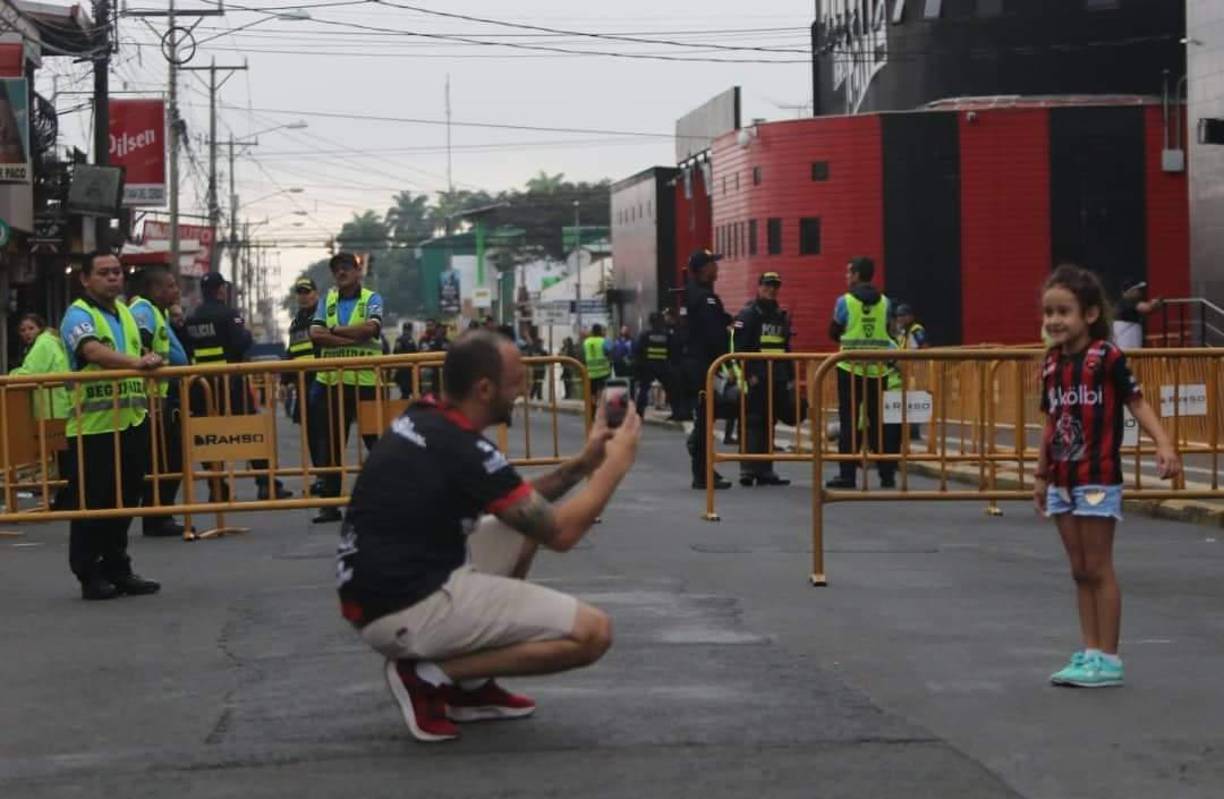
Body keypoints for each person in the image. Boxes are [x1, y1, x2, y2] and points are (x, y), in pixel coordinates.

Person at [337, 330, 640, 742]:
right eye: (516, 382)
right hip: (405, 609)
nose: (522, 391)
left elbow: (519, 504)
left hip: (381, 591)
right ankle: (430, 675)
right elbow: (562, 532)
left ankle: (470, 689)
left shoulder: (425, 419)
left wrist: (582, 463)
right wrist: (613, 469)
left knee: (522, 527)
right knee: (592, 633)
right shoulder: (461, 447)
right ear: (484, 388)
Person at [1034, 264, 1180, 688]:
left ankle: (1110, 658)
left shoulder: (1107, 358)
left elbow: (1137, 403)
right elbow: (1049, 422)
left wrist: (1164, 443)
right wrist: (1040, 474)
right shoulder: (1051, 365)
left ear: (1090, 315)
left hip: (1097, 477)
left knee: (1099, 567)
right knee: (1079, 570)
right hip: (1062, 479)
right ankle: (1090, 650)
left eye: (1064, 311)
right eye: (1048, 313)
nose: (1054, 321)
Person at [59, 252, 162, 600]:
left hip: (131, 421)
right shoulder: (78, 314)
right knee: (94, 503)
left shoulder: (126, 315)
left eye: (117, 272)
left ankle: (119, 568)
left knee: (127, 497)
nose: (113, 278)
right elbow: (92, 353)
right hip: (94, 426)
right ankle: (90, 573)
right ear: (86, 279)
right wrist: (138, 363)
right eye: (104, 273)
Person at [185, 271, 291, 502]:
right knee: (250, 429)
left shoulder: (192, 317)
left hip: (201, 386)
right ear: (221, 289)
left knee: (209, 435)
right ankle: (265, 483)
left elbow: (188, 348)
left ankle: (216, 487)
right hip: (230, 382)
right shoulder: (228, 314)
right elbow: (242, 342)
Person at [309, 252, 385, 523]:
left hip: (365, 384)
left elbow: (370, 330)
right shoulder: (326, 301)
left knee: (376, 446)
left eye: (346, 268)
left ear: (357, 272)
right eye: (337, 269)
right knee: (330, 446)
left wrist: (335, 332)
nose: (341, 273)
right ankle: (329, 505)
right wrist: (348, 336)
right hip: (333, 383)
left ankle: (386, 499)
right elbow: (315, 334)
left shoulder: (371, 299)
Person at [128, 266, 191, 537]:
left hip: (160, 396)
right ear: (155, 289)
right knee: (165, 459)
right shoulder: (143, 310)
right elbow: (141, 347)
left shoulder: (157, 312)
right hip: (148, 398)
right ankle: (157, 517)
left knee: (168, 458)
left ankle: (160, 514)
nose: (177, 290)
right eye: (171, 286)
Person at [826, 257, 899, 490]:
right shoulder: (885, 303)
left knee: (848, 422)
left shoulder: (844, 302)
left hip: (849, 368)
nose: (846, 277)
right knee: (879, 422)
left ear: (857, 275)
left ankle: (847, 475)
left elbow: (833, 332)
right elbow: (889, 333)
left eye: (849, 273)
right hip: (878, 370)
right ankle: (887, 475)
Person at [733, 272, 792, 487]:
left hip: (776, 377)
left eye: (775, 286)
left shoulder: (779, 314)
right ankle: (747, 469)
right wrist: (748, 375)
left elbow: (786, 348)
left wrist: (790, 377)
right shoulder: (749, 314)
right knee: (752, 421)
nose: (772, 289)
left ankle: (766, 469)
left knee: (769, 422)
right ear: (759, 287)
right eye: (768, 285)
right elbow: (739, 348)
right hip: (757, 378)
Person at [683, 249, 733, 490]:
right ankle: (701, 472)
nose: (717, 267)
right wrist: (728, 361)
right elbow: (716, 335)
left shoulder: (700, 295)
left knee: (706, 417)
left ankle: (702, 465)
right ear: (703, 269)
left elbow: (720, 321)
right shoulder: (705, 298)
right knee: (704, 417)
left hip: (699, 364)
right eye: (713, 263)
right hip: (703, 365)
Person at [11, 313, 72, 508]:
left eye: (30, 328)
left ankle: (67, 499)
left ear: (40, 328)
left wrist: (9, 376)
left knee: (63, 456)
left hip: (54, 405)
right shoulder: (49, 341)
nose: (27, 333)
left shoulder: (43, 344)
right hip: (56, 403)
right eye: (23, 330)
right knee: (61, 455)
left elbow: (29, 372)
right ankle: (66, 498)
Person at [283, 276, 325, 492]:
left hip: (321, 382)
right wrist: (285, 380)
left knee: (323, 433)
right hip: (302, 383)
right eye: (300, 292)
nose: (303, 296)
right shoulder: (297, 321)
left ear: (316, 293)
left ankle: (326, 479)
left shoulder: (324, 315)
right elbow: (292, 352)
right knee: (311, 433)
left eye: (307, 291)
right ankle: (320, 477)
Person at [633, 312, 671, 414]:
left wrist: (639, 366)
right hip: (663, 366)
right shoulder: (667, 335)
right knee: (671, 387)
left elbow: (638, 350)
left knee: (644, 389)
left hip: (648, 366)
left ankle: (639, 411)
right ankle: (677, 411)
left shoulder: (645, 335)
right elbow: (672, 350)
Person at [1112, 279, 1162, 349]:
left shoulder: (1124, 303)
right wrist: (1157, 302)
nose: (1140, 292)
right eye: (1137, 289)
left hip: (1129, 344)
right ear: (1130, 291)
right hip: (1126, 344)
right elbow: (1148, 308)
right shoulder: (1127, 302)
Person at [419, 319, 448, 396]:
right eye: (427, 325)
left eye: (431, 325)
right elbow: (421, 352)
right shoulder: (423, 339)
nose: (429, 327)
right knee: (426, 392)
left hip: (439, 369)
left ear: (435, 326)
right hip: (427, 369)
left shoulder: (440, 338)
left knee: (439, 391)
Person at [582, 323, 611, 400]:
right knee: (603, 392)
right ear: (600, 331)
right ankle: (601, 408)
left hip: (590, 373)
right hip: (604, 372)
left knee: (592, 393)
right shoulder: (604, 341)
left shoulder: (586, 342)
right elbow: (610, 352)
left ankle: (592, 409)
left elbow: (583, 355)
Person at [393, 321, 419, 398]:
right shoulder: (411, 340)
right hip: (409, 369)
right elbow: (416, 353)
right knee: (408, 392)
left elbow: (395, 353)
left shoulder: (399, 339)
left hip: (401, 368)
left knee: (405, 392)